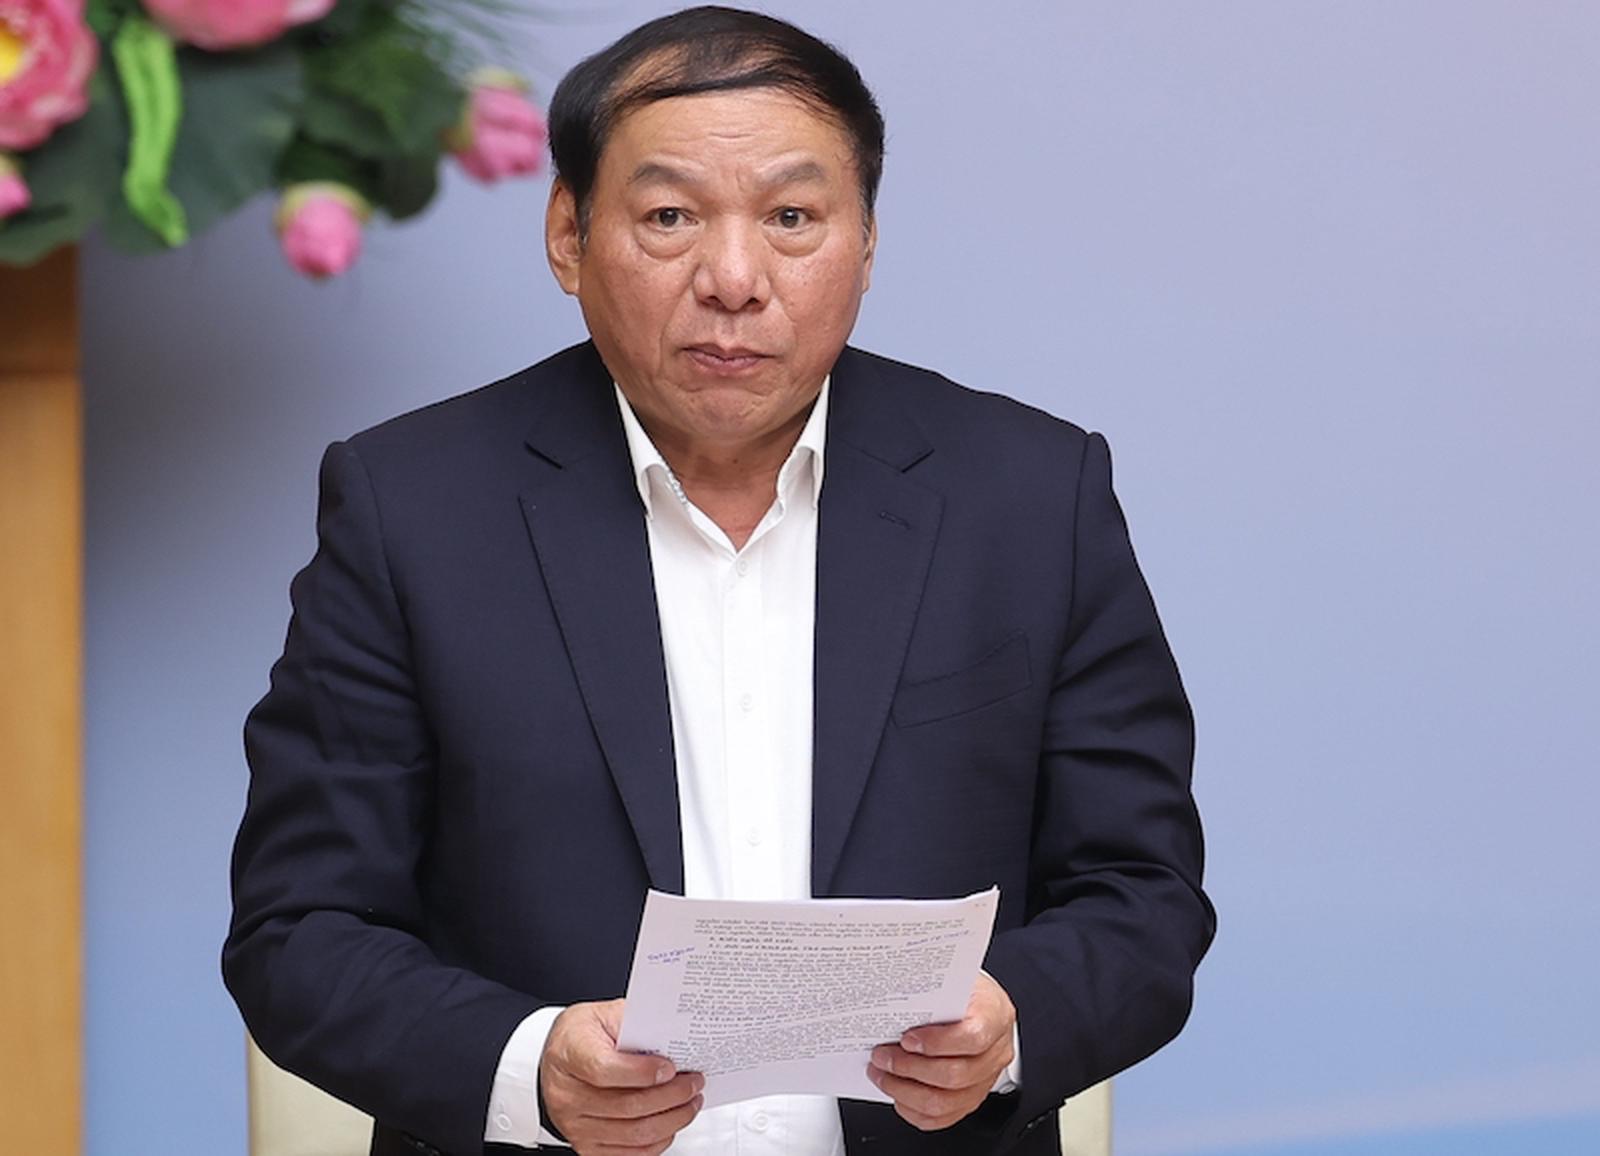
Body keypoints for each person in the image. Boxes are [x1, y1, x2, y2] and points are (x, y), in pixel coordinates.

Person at [223, 7, 1214, 1155]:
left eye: (792, 217)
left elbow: (1142, 892)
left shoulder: (1030, 497)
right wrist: (530, 1066)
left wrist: (1011, 1020)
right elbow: (300, 929)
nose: (733, 279)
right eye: (669, 217)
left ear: (865, 242)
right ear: (567, 234)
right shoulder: (411, 507)